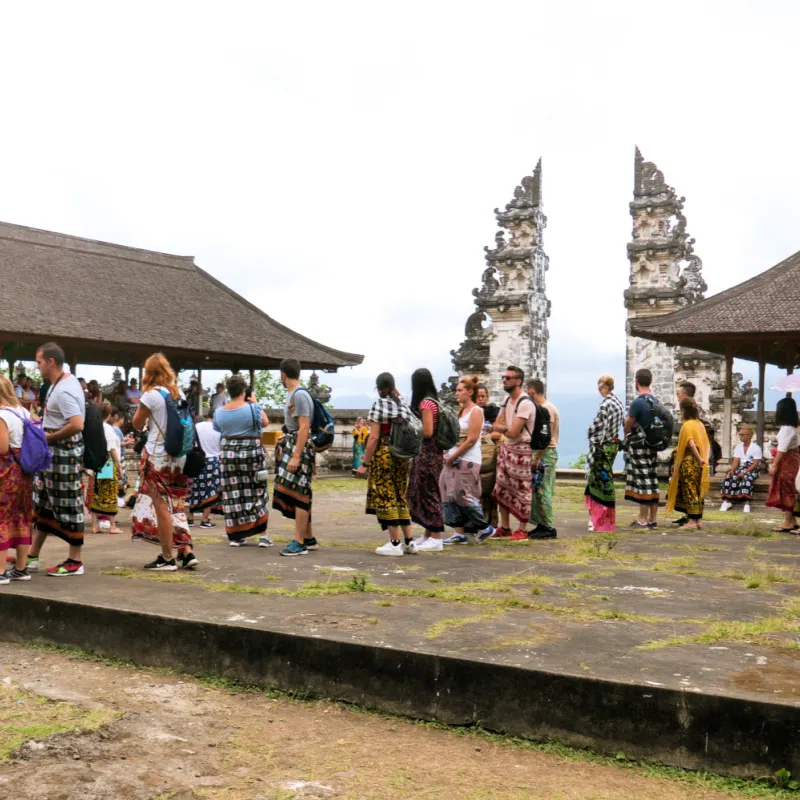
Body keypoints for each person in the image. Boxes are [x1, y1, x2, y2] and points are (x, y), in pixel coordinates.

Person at [131, 353, 198, 571]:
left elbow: (136, 422)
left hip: (158, 455)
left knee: (161, 507)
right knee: (177, 505)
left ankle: (167, 556)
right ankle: (185, 551)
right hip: (179, 455)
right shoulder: (177, 392)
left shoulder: (151, 395)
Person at [27, 342, 86, 577]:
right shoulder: (61, 383)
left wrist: (50, 437)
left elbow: (77, 424)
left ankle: (75, 560)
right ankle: (32, 554)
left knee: (69, 502)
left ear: (50, 361)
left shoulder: (63, 390)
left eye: (39, 362)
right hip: (52, 454)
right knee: (43, 503)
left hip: (63, 453)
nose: (37, 366)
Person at [355, 372, 415, 556]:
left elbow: (373, 437)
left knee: (386, 494)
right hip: (402, 455)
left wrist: (365, 463)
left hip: (384, 454)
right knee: (399, 495)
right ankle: (409, 542)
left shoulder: (379, 405)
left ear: (379, 388)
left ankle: (394, 543)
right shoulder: (403, 404)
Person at [214, 376, 270, 546]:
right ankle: (263, 535)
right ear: (244, 391)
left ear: (228, 391)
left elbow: (218, 429)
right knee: (258, 491)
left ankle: (236, 535)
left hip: (228, 454)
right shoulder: (253, 408)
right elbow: (265, 422)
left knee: (232, 494)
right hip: (251, 453)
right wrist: (255, 403)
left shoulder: (219, 412)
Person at [273, 359, 318, 556]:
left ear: (283, 375)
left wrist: (296, 456)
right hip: (293, 443)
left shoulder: (299, 395)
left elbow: (304, 427)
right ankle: (308, 537)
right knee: (298, 490)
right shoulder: (294, 394)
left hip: (299, 447)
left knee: (300, 493)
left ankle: (299, 541)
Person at [441, 377, 492, 545]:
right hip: (453, 455)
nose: (457, 393)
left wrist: (454, 456)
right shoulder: (460, 411)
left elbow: (471, 439)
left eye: (460, 390)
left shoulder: (476, 411)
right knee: (447, 491)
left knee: (463, 494)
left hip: (467, 458)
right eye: (456, 390)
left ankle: (483, 525)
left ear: (470, 392)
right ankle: (459, 531)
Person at [491, 366, 535, 540]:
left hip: (521, 449)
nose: (504, 380)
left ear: (518, 381)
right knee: (502, 487)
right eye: (503, 377)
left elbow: (514, 431)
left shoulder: (525, 403)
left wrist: (503, 428)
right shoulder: (506, 400)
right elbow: (497, 425)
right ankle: (505, 526)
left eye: (508, 377)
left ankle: (522, 529)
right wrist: (504, 428)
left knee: (522, 489)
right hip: (507, 448)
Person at [406, 368, 445, 551]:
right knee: (428, 491)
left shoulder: (426, 405)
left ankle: (436, 536)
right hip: (434, 453)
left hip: (427, 454)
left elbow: (428, 432)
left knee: (429, 493)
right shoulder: (435, 401)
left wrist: (413, 431)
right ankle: (429, 533)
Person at [0, 374, 33, 583]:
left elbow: (2, 448)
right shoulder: (23, 412)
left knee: (1, 516)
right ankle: (21, 568)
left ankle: (1, 570)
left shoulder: (2, 415)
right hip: (25, 471)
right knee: (21, 516)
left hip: (6, 471)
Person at [584, 376, 625, 533]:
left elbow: (597, 426)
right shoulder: (618, 403)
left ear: (604, 386)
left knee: (598, 483)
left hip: (602, 446)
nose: (598, 388)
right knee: (605, 480)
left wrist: (590, 432)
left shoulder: (605, 405)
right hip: (613, 445)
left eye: (599, 385)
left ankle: (599, 518)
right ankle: (601, 517)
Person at [624, 368, 661, 529]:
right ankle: (652, 519)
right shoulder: (655, 400)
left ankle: (643, 519)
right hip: (654, 444)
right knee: (652, 479)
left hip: (640, 445)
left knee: (643, 481)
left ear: (637, 381)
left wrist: (626, 433)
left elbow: (628, 423)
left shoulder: (638, 402)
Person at [666, 399, 710, 530]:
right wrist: (703, 459)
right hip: (699, 464)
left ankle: (691, 521)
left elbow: (691, 443)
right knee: (698, 490)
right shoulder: (700, 424)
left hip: (688, 463)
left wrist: (699, 457)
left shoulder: (687, 425)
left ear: (683, 410)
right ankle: (698, 520)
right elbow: (706, 443)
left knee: (689, 490)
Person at [526, 378, 560, 540]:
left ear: (532, 391)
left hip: (545, 453)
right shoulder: (543, 408)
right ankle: (541, 522)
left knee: (543, 489)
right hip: (542, 452)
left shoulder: (547, 409)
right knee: (537, 490)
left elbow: (547, 436)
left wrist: (537, 457)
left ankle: (549, 526)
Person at [88, 403, 124, 534]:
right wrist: (119, 466)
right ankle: (112, 526)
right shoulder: (108, 428)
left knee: (97, 492)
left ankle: (94, 525)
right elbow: (112, 449)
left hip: (96, 462)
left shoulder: (93, 427)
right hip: (107, 462)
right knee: (110, 492)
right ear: (109, 415)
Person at [766, 397, 800, 533]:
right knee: (789, 488)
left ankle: (788, 521)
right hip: (791, 459)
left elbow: (782, 449)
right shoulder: (791, 428)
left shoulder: (787, 429)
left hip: (787, 460)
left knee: (787, 489)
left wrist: (774, 464)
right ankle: (792, 520)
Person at [187, 414, 223, 529]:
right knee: (211, 490)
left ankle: (190, 518)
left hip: (196, 459)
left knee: (193, 489)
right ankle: (204, 519)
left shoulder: (195, 427)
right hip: (213, 461)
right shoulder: (218, 429)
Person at [719, 425, 762, 514]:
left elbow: (755, 463)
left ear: (749, 436)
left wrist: (745, 472)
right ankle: (727, 501)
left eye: (742, 434)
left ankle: (747, 503)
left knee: (747, 478)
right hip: (741, 468)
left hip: (752, 469)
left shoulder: (756, 448)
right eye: (740, 434)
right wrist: (732, 469)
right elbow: (736, 460)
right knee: (729, 477)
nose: (740, 436)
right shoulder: (738, 447)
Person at [476, 384, 500, 530]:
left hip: (490, 455)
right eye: (478, 397)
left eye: (483, 396)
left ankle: (492, 521)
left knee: (490, 488)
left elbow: (500, 433)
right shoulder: (471, 413)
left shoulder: (494, 412)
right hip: (475, 454)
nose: (480, 399)